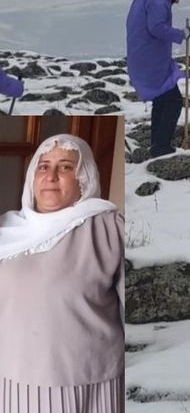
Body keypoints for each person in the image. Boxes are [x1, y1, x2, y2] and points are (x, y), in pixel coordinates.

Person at [0, 134, 124, 412]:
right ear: (32, 176)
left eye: (66, 167)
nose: (51, 175)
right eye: (43, 166)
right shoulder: (6, 231)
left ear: (85, 177)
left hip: (87, 387)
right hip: (11, 383)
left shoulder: (109, 229)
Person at [126, 0, 190, 157]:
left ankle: (157, 144)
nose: (177, 1)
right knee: (173, 101)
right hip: (152, 61)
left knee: (162, 101)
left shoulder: (141, 0)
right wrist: (181, 34)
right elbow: (156, 28)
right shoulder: (157, 1)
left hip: (142, 58)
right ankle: (161, 146)